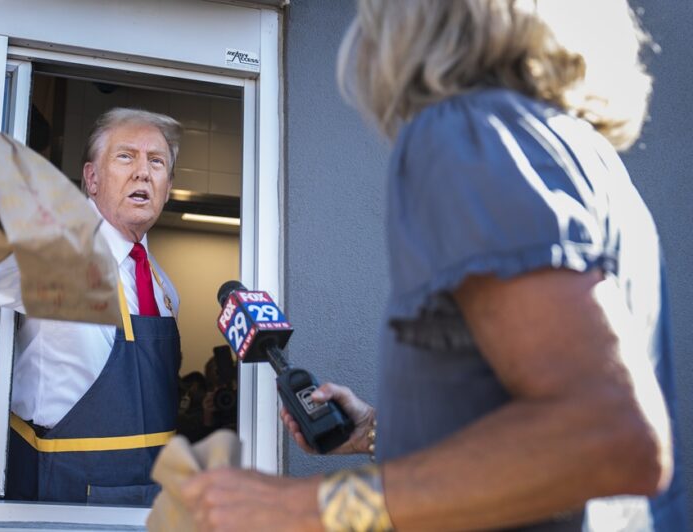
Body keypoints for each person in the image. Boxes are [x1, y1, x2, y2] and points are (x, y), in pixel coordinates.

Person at [180, 1, 689, 530]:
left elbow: (607, 437)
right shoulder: (588, 156)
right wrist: (376, 432)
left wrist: (299, 507)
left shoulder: (471, 135)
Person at [0, 107, 183, 506]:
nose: (143, 173)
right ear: (91, 179)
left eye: (156, 162)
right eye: (126, 157)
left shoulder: (164, 288)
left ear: (168, 187)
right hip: (64, 493)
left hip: (148, 500)